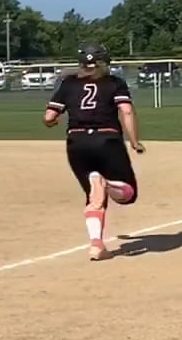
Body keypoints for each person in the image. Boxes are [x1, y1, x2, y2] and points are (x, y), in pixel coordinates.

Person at [44, 43, 143, 262]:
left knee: (94, 196)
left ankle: (96, 245)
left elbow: (49, 117)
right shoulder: (114, 83)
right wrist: (135, 141)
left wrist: (53, 122)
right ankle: (108, 185)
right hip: (107, 139)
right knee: (128, 194)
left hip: (76, 142)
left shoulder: (68, 83)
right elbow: (126, 110)